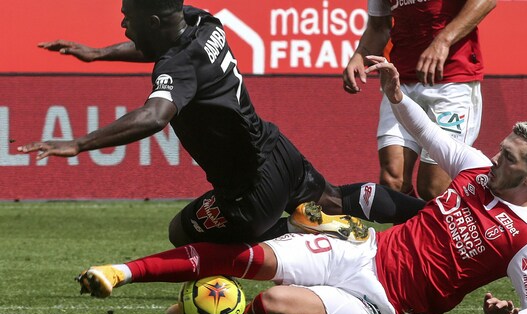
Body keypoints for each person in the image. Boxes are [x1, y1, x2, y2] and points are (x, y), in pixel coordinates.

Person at [77, 57, 527, 314]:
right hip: (361, 249)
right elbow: (436, 139)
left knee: (276, 306)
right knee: (248, 257)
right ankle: (120, 271)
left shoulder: (526, 238)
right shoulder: (477, 169)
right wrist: (397, 96)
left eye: (510, 159)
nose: (496, 158)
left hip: (386, 304)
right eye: (501, 150)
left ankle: (202, 310)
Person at [19, 1, 424, 246]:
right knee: (335, 199)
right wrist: (97, 54)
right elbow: (156, 46)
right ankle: (432, 215)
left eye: (128, 18)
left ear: (156, 22)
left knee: (181, 232)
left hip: (249, 190)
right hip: (277, 150)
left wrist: (79, 144)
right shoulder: (203, 22)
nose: (124, 25)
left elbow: (154, 116)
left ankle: (301, 233)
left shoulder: (176, 64)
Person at [342, 0, 497, 201]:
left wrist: (443, 40)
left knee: (433, 188)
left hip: (452, 84)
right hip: (401, 83)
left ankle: (469, 226)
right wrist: (360, 55)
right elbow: (379, 26)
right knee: (393, 182)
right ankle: (412, 232)